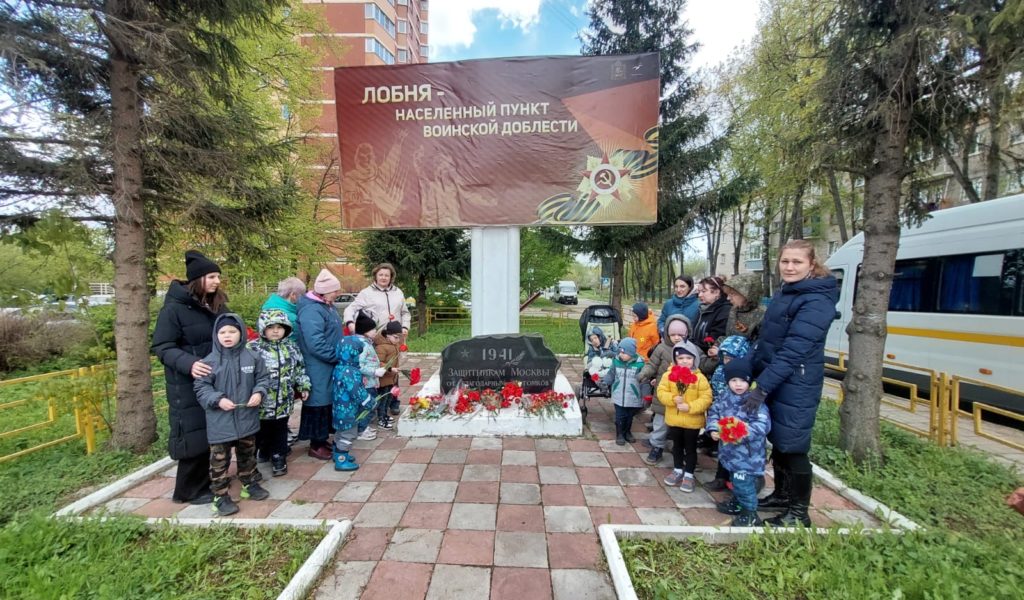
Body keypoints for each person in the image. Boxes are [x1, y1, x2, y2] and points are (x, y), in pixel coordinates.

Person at [747, 239, 838, 527]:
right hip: (778, 379)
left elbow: (793, 350)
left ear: (812, 264)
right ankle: (782, 496)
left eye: (797, 262)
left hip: (796, 383)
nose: (789, 267)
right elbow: (768, 340)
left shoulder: (816, 301)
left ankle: (799, 514)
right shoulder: (788, 292)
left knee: (793, 446)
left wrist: (762, 387)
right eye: (785, 261)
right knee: (780, 441)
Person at [151, 250, 227, 505]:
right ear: (197, 279)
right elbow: (162, 346)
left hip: (215, 379)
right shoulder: (174, 310)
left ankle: (209, 479)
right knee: (194, 435)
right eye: (212, 276)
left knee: (213, 432)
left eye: (218, 276)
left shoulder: (215, 305)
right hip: (187, 382)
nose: (217, 281)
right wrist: (190, 363)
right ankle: (187, 490)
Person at [193, 314, 272, 516]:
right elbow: (201, 388)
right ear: (215, 335)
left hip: (247, 418)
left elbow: (263, 379)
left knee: (248, 453)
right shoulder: (208, 362)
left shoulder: (252, 358)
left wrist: (258, 392)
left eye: (232, 331)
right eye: (222, 332)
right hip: (220, 422)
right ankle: (220, 495)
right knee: (219, 460)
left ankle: (249, 483)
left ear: (242, 334)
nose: (227, 336)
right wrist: (217, 399)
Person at [705, 356, 771, 526]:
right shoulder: (724, 398)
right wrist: (713, 429)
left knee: (743, 484)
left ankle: (750, 514)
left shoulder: (754, 402)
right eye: (734, 380)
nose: (738, 384)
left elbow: (762, 426)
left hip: (748, 456)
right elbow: (714, 413)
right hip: (729, 453)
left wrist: (739, 432)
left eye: (743, 380)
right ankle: (738, 502)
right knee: (735, 481)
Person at [249, 309, 311, 477]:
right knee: (261, 430)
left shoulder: (291, 347)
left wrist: (303, 386)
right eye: (271, 327)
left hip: (284, 400)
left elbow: (299, 369)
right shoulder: (254, 348)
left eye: (279, 327)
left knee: (280, 429)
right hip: (261, 402)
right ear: (263, 328)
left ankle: (278, 456)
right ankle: (262, 451)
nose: (275, 331)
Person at [344, 262, 411, 416]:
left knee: (393, 369)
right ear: (375, 275)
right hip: (376, 338)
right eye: (381, 274)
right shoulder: (366, 293)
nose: (383, 277)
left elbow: (405, 312)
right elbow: (351, 309)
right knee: (378, 369)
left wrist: (405, 327)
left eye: (387, 275)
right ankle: (377, 403)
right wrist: (350, 324)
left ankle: (394, 401)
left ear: (391, 277)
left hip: (395, 338)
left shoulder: (398, 292)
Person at [296, 269, 345, 460]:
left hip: (327, 364)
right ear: (324, 291)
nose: (337, 294)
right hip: (317, 364)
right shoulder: (311, 310)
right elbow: (315, 342)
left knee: (325, 401)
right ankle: (315, 444)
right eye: (335, 291)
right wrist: (335, 355)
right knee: (318, 401)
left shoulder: (326, 306)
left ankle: (322, 438)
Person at [638, 315, 696, 465]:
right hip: (664, 395)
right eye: (673, 334)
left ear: (687, 333)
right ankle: (657, 447)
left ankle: (681, 450)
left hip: (685, 396)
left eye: (680, 334)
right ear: (667, 334)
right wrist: (644, 374)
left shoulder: (690, 348)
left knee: (682, 425)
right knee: (660, 424)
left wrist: (714, 359)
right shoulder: (662, 348)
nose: (676, 338)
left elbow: (702, 363)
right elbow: (652, 364)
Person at [656, 341, 712, 493]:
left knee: (691, 448)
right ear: (675, 359)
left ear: (695, 359)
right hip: (674, 419)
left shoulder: (700, 378)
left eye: (689, 358)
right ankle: (678, 469)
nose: (685, 361)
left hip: (692, 421)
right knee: (677, 446)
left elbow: (706, 398)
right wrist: (673, 399)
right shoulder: (669, 375)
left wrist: (690, 407)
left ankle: (689, 474)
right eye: (681, 358)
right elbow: (661, 392)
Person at [704, 335, 752, 492]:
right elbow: (715, 394)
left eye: (732, 358)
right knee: (723, 452)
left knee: (739, 457)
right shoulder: (720, 370)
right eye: (725, 358)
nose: (727, 361)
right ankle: (720, 478)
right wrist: (713, 425)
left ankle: (737, 484)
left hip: (740, 429)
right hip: (721, 418)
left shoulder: (745, 383)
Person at [331, 336, 369, 471]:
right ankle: (342, 459)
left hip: (338, 409)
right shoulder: (350, 371)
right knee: (349, 434)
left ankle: (336, 453)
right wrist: (369, 401)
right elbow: (356, 390)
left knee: (340, 432)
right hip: (348, 410)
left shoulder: (339, 367)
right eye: (358, 353)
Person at [601, 338, 646, 446]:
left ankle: (627, 432)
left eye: (624, 352)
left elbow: (644, 381)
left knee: (629, 416)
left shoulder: (639, 364)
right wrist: (605, 382)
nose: (621, 354)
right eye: (620, 351)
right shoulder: (616, 362)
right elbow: (611, 374)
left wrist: (645, 395)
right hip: (619, 394)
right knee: (620, 416)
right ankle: (620, 433)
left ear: (631, 353)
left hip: (633, 395)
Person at [353, 311, 386, 441]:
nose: (375, 331)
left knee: (369, 404)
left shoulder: (366, 342)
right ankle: (361, 429)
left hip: (370, 381)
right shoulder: (363, 345)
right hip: (366, 382)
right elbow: (359, 365)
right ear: (364, 330)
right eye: (373, 329)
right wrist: (374, 372)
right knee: (367, 405)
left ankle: (364, 426)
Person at [690, 276, 732, 376]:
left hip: (710, 360)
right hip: (697, 354)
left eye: (704, 291)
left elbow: (714, 338)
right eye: (699, 291)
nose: (700, 295)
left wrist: (692, 347)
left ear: (717, 292)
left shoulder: (725, 311)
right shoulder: (702, 308)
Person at [375, 321, 404, 430]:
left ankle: (385, 415)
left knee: (389, 398)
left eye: (399, 338)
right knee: (383, 399)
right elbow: (378, 362)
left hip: (392, 377)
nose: (398, 340)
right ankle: (381, 419)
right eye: (396, 337)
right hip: (384, 378)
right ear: (388, 335)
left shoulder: (393, 344)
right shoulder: (381, 347)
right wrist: (390, 368)